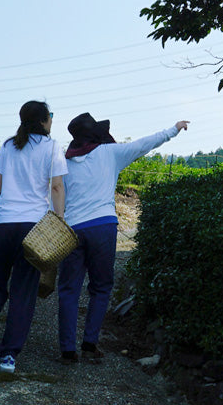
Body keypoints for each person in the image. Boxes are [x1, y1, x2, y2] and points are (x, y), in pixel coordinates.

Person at [58, 112, 189, 364]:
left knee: (68, 289)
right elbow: (143, 144)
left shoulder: (65, 161)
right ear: (96, 134)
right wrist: (173, 129)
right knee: (102, 287)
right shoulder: (110, 153)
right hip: (102, 227)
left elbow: (55, 195)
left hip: (71, 230)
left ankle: (66, 350)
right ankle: (89, 344)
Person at [0, 100, 67, 375]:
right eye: (50, 115)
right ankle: (8, 357)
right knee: (23, 293)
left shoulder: (8, 146)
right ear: (44, 120)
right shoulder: (52, 147)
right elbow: (57, 187)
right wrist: (59, 222)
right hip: (33, 230)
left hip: (4, 225)